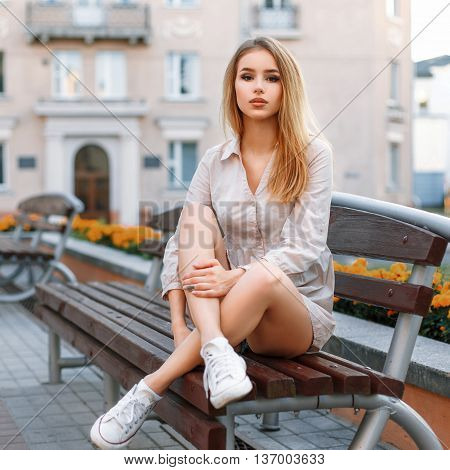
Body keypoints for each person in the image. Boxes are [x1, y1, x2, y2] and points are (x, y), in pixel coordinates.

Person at [90, 36, 336, 450]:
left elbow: (307, 244)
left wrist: (236, 277)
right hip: (229, 311)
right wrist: (176, 323)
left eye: (271, 78)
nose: (258, 87)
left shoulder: (313, 155)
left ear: (286, 87)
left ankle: (150, 387)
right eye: (248, 76)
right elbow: (181, 242)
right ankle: (217, 349)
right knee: (195, 219)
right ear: (233, 87)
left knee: (264, 277)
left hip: (296, 313)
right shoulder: (213, 160)